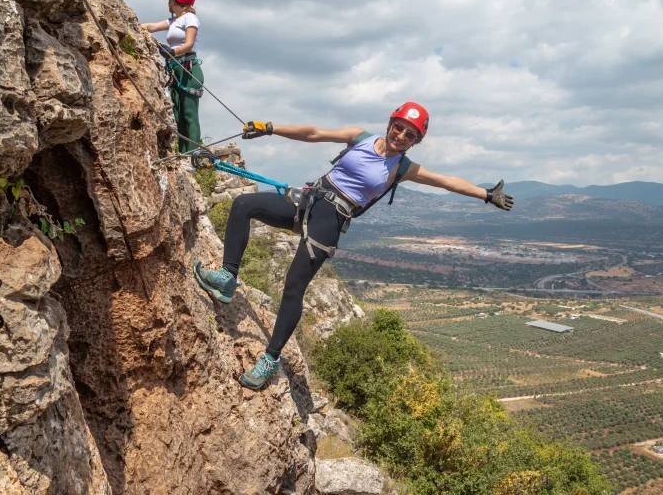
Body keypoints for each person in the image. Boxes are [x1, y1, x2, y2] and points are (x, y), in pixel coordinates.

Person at [193, 102, 514, 390]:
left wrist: (486, 194)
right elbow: (313, 132)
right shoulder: (360, 137)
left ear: (415, 141)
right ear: (391, 123)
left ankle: (270, 359)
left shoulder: (404, 169)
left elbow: (446, 181)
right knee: (243, 205)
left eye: (410, 134)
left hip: (330, 220)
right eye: (399, 127)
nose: (401, 135)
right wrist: (270, 128)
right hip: (310, 199)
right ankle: (227, 278)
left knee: (293, 287)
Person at [142, 0, 204, 154]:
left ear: (176, 0)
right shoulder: (174, 21)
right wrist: (133, 23)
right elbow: (152, 27)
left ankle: (193, 156)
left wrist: (172, 51)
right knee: (178, 115)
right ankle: (184, 155)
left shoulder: (190, 18)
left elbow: (189, 43)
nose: (168, 2)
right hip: (176, 68)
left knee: (189, 115)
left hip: (188, 68)